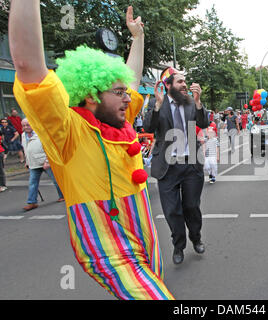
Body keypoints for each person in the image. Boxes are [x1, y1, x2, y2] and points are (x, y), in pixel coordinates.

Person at [10, 2, 173, 300]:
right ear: (89, 95)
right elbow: (27, 67)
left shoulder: (119, 123)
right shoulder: (67, 132)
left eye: (125, 92)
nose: (128, 98)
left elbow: (133, 79)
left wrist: (138, 38)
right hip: (108, 248)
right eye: (118, 92)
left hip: (144, 238)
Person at [143, 67, 209, 265]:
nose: (184, 85)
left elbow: (204, 123)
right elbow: (148, 128)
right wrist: (157, 107)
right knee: (172, 210)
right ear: (168, 85)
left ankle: (196, 238)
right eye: (179, 82)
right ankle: (178, 246)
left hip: (190, 165)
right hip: (167, 167)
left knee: (191, 206)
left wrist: (198, 102)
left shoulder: (190, 103)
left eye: (184, 82)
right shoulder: (157, 103)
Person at [21, 118, 64, 211]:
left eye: (27, 125)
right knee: (32, 183)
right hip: (33, 164)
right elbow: (26, 149)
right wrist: (27, 161)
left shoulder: (41, 133)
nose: (25, 127)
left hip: (45, 162)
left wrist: (47, 161)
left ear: (33, 124)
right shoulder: (23, 136)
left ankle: (63, 195)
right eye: (23, 125)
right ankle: (32, 202)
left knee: (56, 180)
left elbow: (50, 148)